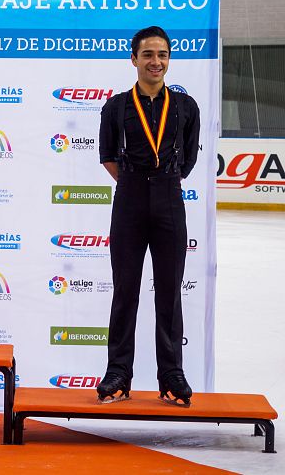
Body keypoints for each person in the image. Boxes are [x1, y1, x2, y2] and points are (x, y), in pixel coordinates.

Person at [97, 26, 200, 405]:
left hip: (170, 199)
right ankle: (118, 374)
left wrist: (162, 182)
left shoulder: (186, 107)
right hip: (130, 200)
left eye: (162, 55)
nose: (155, 62)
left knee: (170, 291)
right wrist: (136, 182)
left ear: (169, 59)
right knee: (125, 290)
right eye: (148, 55)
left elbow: (188, 159)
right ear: (134, 59)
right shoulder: (117, 106)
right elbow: (107, 155)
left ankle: (172, 375)